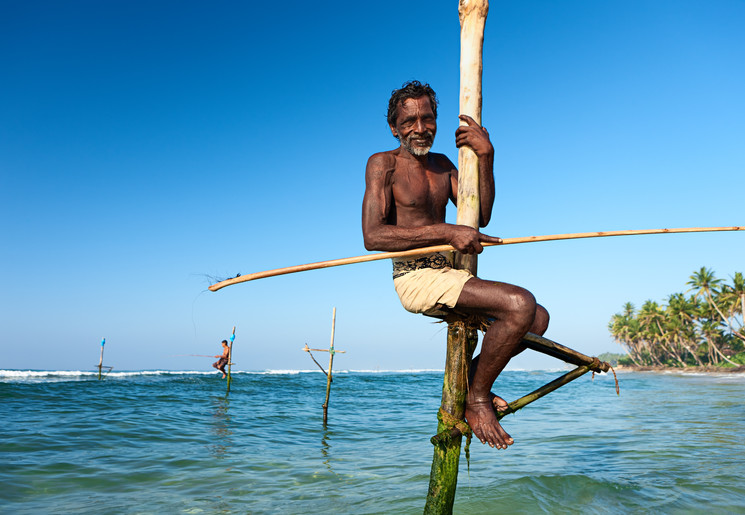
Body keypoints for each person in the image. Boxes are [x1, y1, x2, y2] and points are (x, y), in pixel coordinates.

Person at [362, 80, 550, 450]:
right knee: (520, 304)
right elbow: (373, 236)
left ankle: (472, 387)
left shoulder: (445, 164)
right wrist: (447, 231)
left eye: (427, 118)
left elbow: (482, 216)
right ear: (394, 127)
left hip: (454, 275)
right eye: (410, 121)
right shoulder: (382, 164)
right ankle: (476, 400)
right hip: (416, 277)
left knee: (537, 319)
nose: (420, 128)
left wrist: (487, 156)